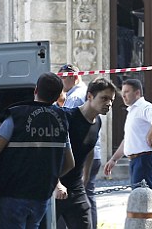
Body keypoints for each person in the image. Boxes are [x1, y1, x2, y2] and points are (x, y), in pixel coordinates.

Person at [0, 72, 75, 229]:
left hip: (14, 194)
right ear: (58, 95)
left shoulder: (17, 116)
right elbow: (70, 163)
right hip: (41, 196)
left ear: (36, 90)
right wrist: (48, 178)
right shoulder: (61, 120)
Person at [54, 77, 116, 229]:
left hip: (76, 188)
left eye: (111, 100)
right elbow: (49, 153)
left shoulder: (98, 122)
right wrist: (56, 184)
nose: (108, 103)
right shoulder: (67, 117)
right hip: (54, 188)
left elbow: (90, 148)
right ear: (89, 96)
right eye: (104, 98)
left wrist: (86, 176)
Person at [104, 79, 152, 190]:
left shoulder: (144, 106)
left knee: (142, 198)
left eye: (127, 92)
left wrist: (150, 136)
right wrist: (114, 159)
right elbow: (127, 139)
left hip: (144, 159)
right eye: (122, 92)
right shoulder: (132, 110)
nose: (123, 95)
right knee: (137, 198)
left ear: (137, 93)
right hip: (135, 160)